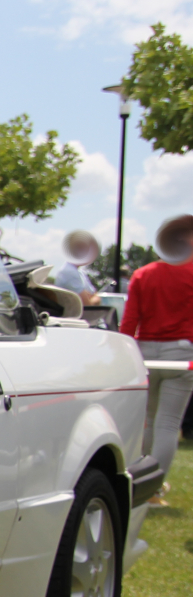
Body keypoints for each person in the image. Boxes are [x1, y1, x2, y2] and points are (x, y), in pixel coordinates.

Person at [121, 214, 193, 502]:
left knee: (149, 422)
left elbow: (129, 323)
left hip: (145, 353)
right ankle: (154, 488)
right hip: (181, 353)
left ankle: (141, 481)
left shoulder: (143, 274)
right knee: (167, 424)